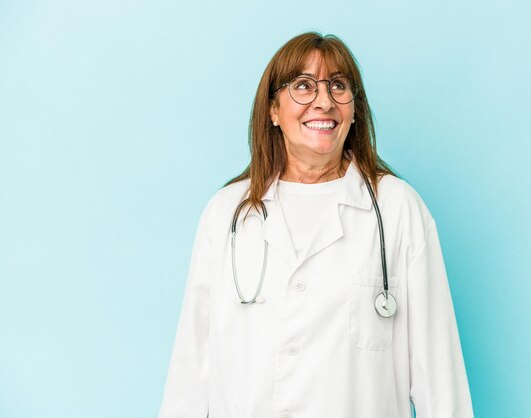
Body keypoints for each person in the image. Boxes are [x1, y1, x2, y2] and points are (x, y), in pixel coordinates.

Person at [159, 32, 473, 418]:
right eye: (304, 86)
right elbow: (191, 374)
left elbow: (440, 376)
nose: (324, 101)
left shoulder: (396, 208)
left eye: (338, 86)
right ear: (273, 109)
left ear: (355, 110)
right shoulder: (227, 213)